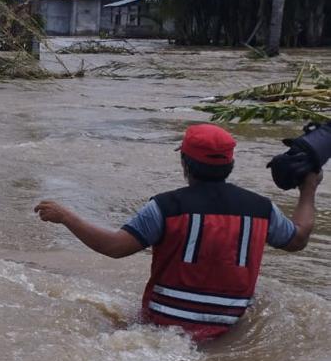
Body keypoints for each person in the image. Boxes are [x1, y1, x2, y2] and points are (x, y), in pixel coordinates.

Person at [34, 124, 319, 342]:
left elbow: (114, 247)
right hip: (228, 329)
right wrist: (308, 189)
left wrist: (66, 217)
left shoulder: (165, 207)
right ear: (230, 166)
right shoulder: (262, 209)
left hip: (164, 332)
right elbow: (298, 239)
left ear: (185, 164)